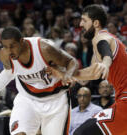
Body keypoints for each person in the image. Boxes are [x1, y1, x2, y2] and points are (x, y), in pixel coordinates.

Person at [0, 26, 78, 135]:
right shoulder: (5, 54)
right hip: (27, 99)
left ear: (22, 41)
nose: (9, 51)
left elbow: (72, 61)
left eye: (12, 46)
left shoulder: (44, 48)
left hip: (55, 100)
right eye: (5, 46)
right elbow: (8, 73)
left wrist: (68, 75)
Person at [49, 4, 127, 135]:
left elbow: (105, 50)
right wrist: (65, 74)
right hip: (122, 99)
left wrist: (106, 63)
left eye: (84, 20)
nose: (80, 24)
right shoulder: (105, 42)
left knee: (81, 133)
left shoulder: (102, 38)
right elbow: (93, 73)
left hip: (125, 101)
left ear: (96, 23)